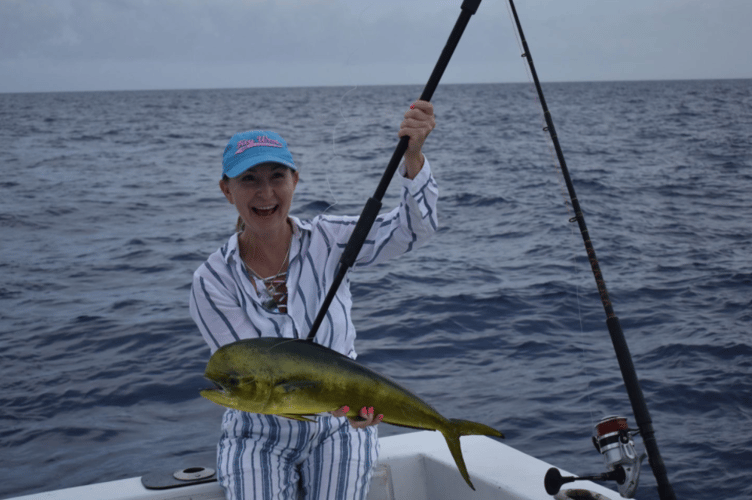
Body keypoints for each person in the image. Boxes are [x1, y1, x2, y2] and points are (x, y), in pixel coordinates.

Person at [189, 100, 438, 500]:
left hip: (341, 424)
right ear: (227, 190)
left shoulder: (331, 238)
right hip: (257, 432)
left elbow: (412, 231)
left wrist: (413, 156)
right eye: (249, 179)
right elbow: (250, 376)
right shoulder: (211, 281)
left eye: (277, 176)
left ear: (295, 181)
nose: (266, 192)